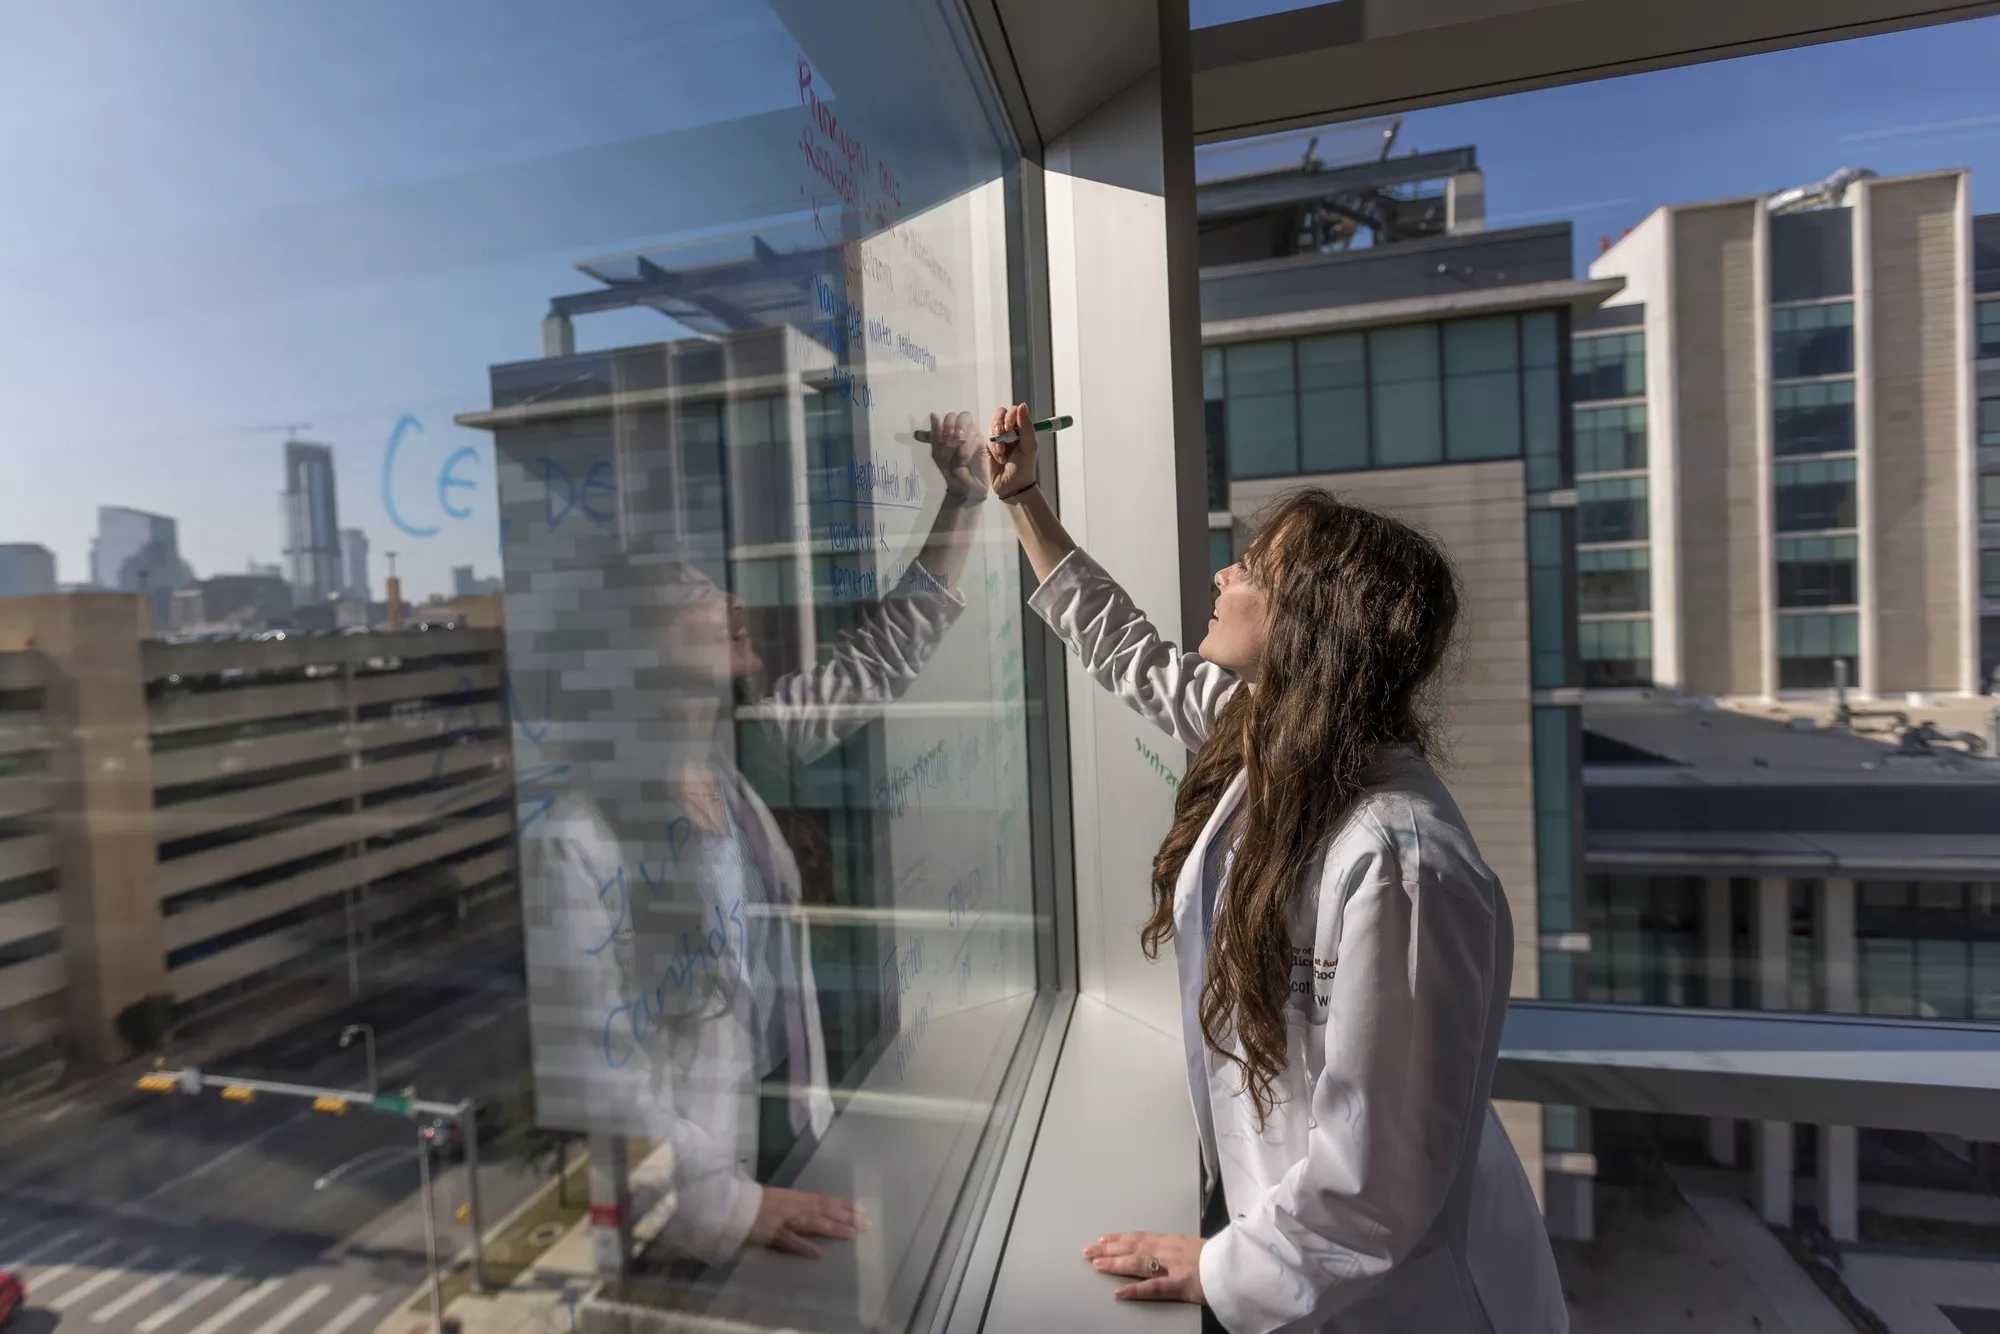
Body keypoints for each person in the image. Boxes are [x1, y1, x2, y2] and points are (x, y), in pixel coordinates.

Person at [984, 403, 1567, 1333]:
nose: (1224, 571)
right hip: (1298, 1252)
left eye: (1250, 565)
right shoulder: (1281, 750)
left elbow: (1378, 1183)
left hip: (1398, 1303)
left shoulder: (1398, 861)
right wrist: (1024, 502)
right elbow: (1126, 649)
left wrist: (1219, 1265)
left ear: (1311, 621)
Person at [522, 413, 990, 1266]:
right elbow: (603, 1073)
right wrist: (729, 1206)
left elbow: (883, 655)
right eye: (692, 597)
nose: (726, 601)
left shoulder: (740, 761)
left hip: (786, 1128)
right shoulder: (578, 842)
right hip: (692, 1206)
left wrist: (960, 503)